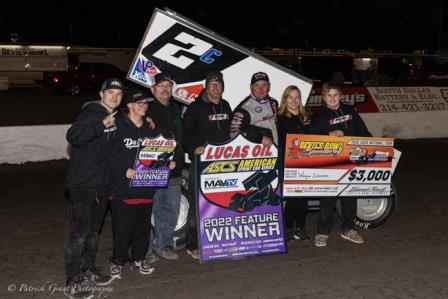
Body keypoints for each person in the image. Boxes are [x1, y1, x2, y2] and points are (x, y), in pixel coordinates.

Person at [64, 78, 124, 298]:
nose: (114, 96)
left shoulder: (116, 119)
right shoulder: (91, 114)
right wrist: (100, 125)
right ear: (101, 94)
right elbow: (73, 136)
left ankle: (88, 269)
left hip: (101, 184)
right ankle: (72, 281)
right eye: (110, 92)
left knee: (93, 232)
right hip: (82, 184)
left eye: (118, 94)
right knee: (79, 234)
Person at [108, 88, 176, 278]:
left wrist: (166, 164)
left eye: (146, 103)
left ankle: (138, 259)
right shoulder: (118, 126)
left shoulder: (150, 128)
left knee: (143, 228)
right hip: (122, 188)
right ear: (129, 105)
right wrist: (123, 170)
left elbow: (156, 155)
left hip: (145, 188)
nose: (144, 106)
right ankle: (117, 260)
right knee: (122, 229)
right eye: (140, 103)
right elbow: (108, 155)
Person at [311, 82, 372, 247]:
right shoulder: (318, 116)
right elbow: (310, 138)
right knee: (327, 200)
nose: (332, 98)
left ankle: (349, 229)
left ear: (341, 96)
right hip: (329, 164)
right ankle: (322, 232)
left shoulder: (350, 111)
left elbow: (364, 133)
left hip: (351, 161)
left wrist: (348, 135)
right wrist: (327, 134)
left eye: (335, 95)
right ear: (324, 98)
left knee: (350, 197)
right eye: (328, 95)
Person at [183, 70, 232, 259]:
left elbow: (232, 131)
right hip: (201, 164)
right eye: (212, 84)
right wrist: (193, 147)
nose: (215, 87)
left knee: (220, 202)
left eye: (218, 84)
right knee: (198, 204)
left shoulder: (226, 106)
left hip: (222, 164)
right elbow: (185, 134)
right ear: (206, 86)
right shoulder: (195, 108)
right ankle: (193, 243)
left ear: (223, 86)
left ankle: (216, 240)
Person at [146, 73, 185, 261]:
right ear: (152, 89)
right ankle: (147, 250)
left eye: (168, 86)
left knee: (171, 210)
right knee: (149, 210)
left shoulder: (176, 108)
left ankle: (164, 245)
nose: (165, 89)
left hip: (174, 169)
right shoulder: (145, 108)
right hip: (152, 170)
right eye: (160, 86)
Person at [276, 85, 311, 242]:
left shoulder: (307, 116)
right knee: (292, 197)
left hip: (308, 163)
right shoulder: (281, 118)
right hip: (289, 163)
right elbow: (283, 140)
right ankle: (288, 228)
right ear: (285, 99)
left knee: (304, 198)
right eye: (290, 97)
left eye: (297, 97)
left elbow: (317, 135)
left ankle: (301, 228)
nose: (294, 100)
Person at [230, 71, 279, 146]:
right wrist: (259, 138)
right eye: (257, 85)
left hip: (277, 150)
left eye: (264, 85)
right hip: (259, 155)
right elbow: (234, 134)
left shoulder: (274, 103)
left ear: (269, 87)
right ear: (251, 87)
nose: (261, 89)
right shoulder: (243, 109)